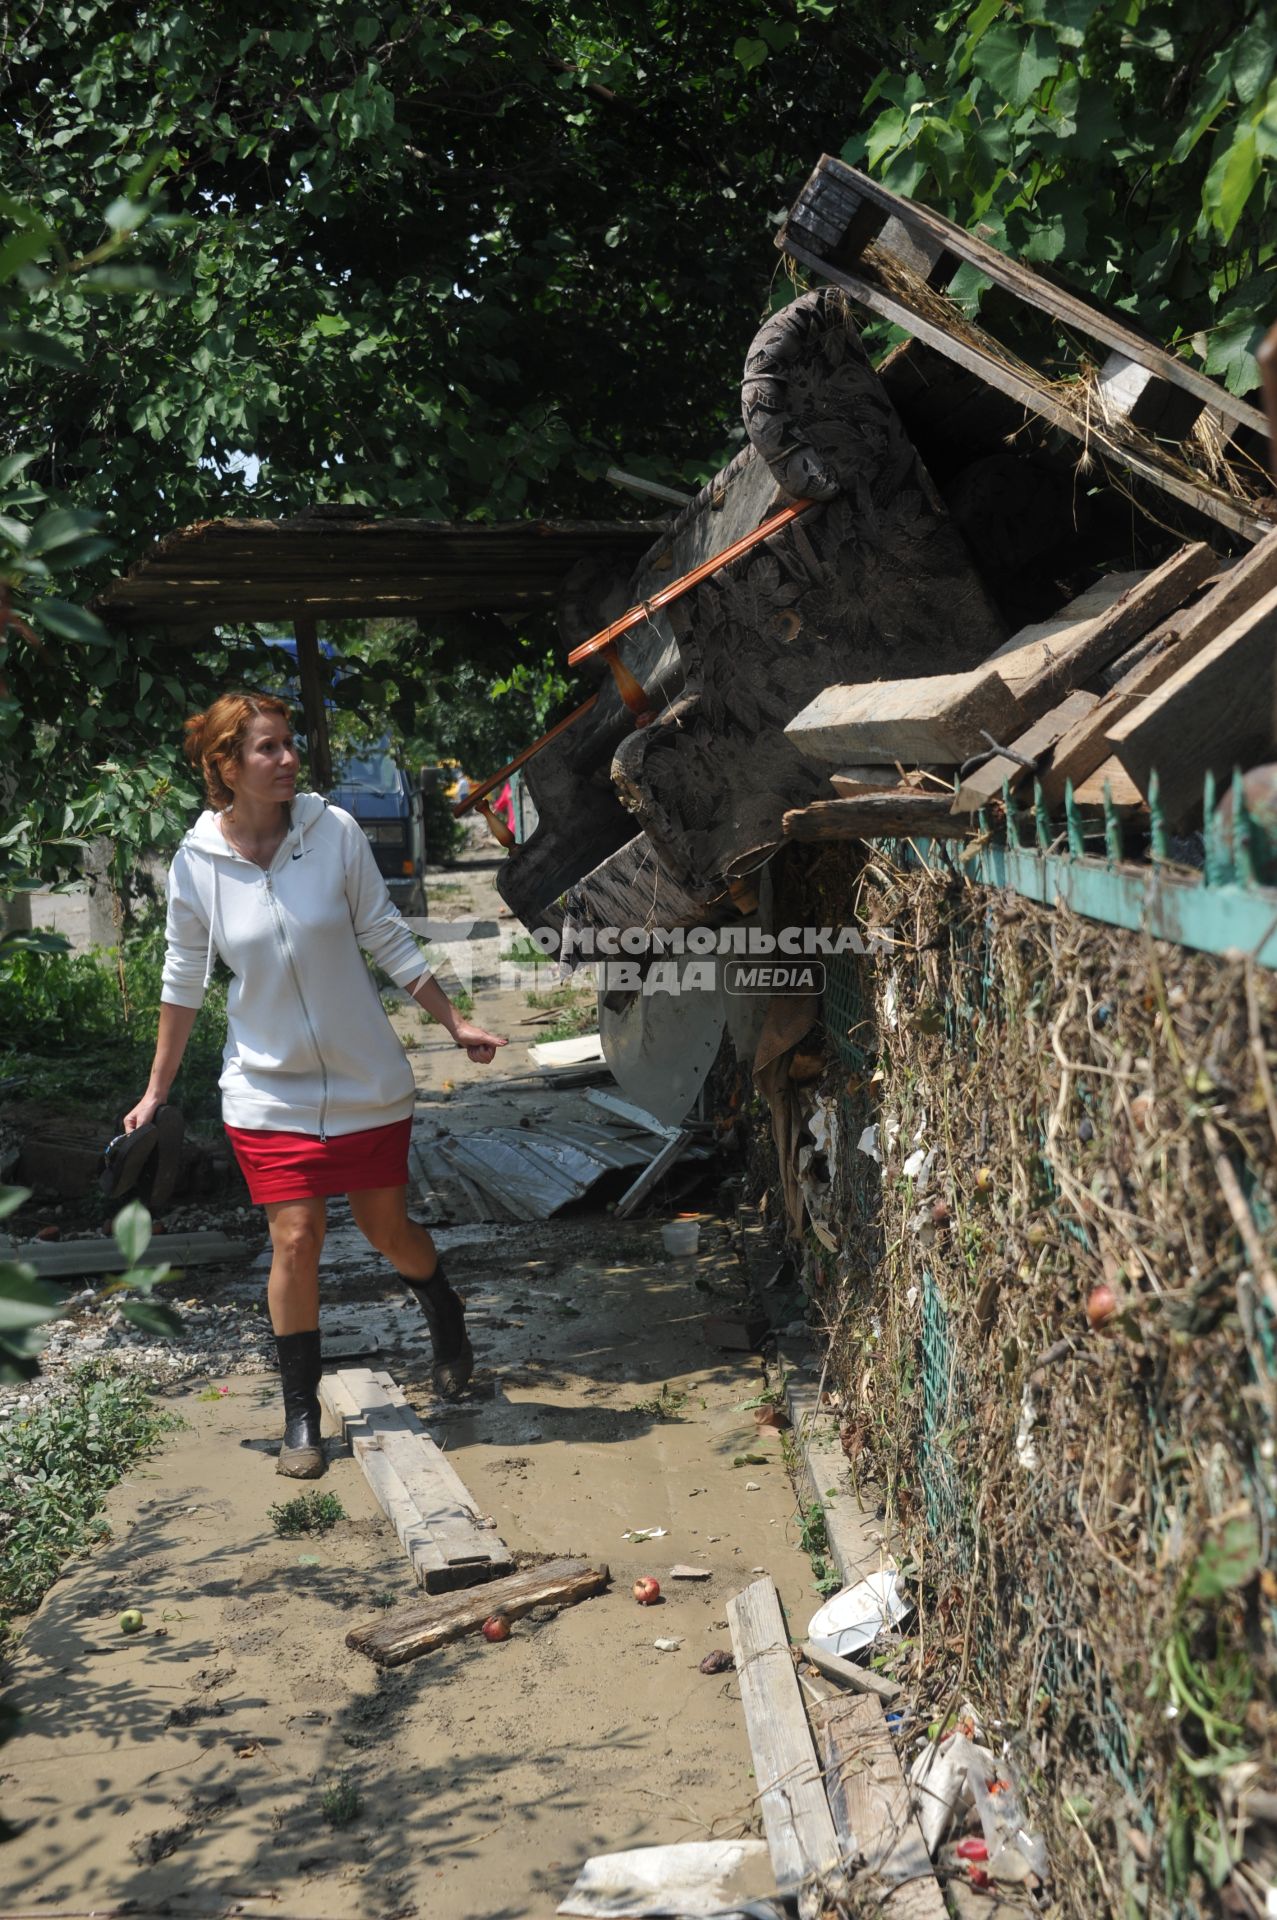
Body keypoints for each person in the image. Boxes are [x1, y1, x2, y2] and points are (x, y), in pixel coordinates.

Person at [125, 693, 507, 1480]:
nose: (288, 759)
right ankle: (302, 1412)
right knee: (295, 1241)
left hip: (365, 1080)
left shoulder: (332, 832)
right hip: (268, 1091)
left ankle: (444, 1310)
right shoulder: (198, 863)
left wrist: (453, 1024)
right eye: (267, 749)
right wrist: (156, 1090)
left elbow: (384, 934)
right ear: (225, 767)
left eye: (289, 744)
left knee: (387, 1234)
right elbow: (182, 982)